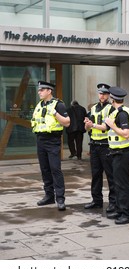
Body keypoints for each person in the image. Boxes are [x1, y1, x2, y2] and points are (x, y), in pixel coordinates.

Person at [31, 81, 70, 211]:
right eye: (39, 90)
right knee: (45, 169)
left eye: (42, 90)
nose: (39, 92)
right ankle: (49, 196)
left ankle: (60, 198)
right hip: (40, 139)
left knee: (55, 169)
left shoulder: (58, 104)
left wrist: (55, 113)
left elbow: (67, 122)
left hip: (53, 140)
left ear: (49, 91)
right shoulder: (39, 105)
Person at [84, 83, 117, 213]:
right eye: (100, 93)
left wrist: (92, 125)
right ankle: (96, 201)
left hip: (106, 145)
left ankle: (113, 203)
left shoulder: (111, 109)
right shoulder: (92, 108)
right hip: (94, 145)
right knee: (95, 175)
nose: (102, 95)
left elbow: (106, 127)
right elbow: (86, 128)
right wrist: (87, 125)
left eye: (104, 93)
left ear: (108, 95)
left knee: (110, 175)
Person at [105, 86, 129, 224]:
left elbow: (126, 133)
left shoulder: (122, 114)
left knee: (122, 184)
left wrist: (113, 125)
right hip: (117, 152)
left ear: (112, 99)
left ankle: (127, 215)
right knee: (118, 183)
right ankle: (120, 210)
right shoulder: (116, 112)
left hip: (122, 153)